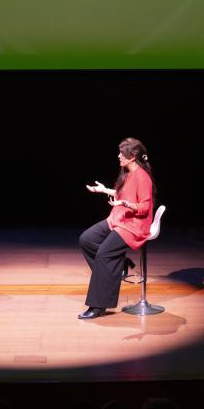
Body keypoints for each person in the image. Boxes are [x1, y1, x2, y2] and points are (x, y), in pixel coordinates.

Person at [78, 137, 155, 319]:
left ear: (133, 156)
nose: (119, 156)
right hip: (119, 218)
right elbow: (122, 194)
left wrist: (126, 204)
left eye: (123, 153)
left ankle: (98, 306)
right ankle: (119, 265)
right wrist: (104, 190)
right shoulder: (128, 173)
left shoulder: (143, 177)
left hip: (134, 225)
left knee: (104, 254)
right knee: (86, 239)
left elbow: (144, 207)